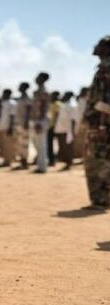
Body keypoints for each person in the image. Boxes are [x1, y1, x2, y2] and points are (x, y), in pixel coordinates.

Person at [82, 36, 110, 210]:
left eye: (100, 44)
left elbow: (106, 101)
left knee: (98, 161)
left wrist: (101, 125)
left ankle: (101, 199)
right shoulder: (103, 67)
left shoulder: (106, 69)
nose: (95, 46)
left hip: (101, 123)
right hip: (100, 122)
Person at [30, 72, 51, 174]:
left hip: (40, 120)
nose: (36, 78)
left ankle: (42, 167)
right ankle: (40, 165)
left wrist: (39, 121)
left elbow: (43, 108)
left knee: (41, 144)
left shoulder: (43, 91)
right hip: (37, 120)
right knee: (37, 143)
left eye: (38, 77)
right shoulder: (38, 91)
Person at [54, 91, 77, 171]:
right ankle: (67, 162)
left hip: (68, 130)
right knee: (64, 147)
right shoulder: (64, 105)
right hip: (62, 129)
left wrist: (72, 131)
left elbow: (73, 119)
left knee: (68, 147)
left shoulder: (72, 105)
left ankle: (69, 163)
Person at [13, 82, 32, 170]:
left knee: (24, 143)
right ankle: (22, 162)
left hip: (24, 124)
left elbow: (28, 111)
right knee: (19, 143)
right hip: (18, 123)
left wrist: (26, 122)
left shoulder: (27, 98)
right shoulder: (20, 98)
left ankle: (25, 162)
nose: (19, 88)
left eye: (20, 86)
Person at [0, 89, 17, 167]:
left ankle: (8, 161)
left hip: (7, 127)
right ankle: (5, 160)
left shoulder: (12, 103)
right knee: (3, 146)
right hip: (0, 127)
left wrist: (10, 128)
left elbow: (12, 116)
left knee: (8, 146)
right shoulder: (2, 103)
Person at [73, 87, 89, 160]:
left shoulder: (84, 101)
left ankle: (84, 157)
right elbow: (81, 114)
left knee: (84, 141)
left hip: (82, 124)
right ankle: (83, 157)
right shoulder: (82, 101)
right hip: (82, 124)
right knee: (83, 142)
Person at [48, 91, 62, 167]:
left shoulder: (58, 104)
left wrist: (56, 126)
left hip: (55, 127)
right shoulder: (51, 104)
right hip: (50, 126)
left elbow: (58, 116)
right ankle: (51, 160)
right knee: (50, 145)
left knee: (58, 144)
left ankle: (55, 159)